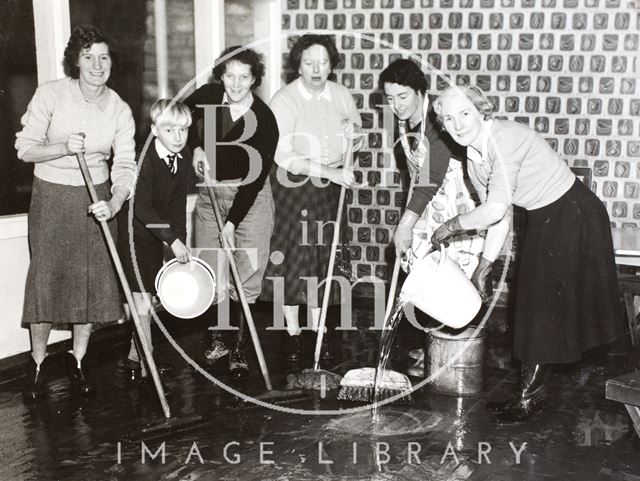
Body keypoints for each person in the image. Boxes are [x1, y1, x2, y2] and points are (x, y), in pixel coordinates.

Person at [431, 84, 623, 422]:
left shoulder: (503, 139)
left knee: (542, 305)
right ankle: (531, 395)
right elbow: (500, 218)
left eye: (464, 113)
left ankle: (533, 398)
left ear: (481, 110)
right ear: (442, 125)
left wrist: (450, 226)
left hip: (573, 211)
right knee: (535, 305)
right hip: (546, 215)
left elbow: (493, 209)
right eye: (449, 118)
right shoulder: (473, 161)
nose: (459, 124)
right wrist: (483, 266)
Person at [15, 25, 137, 400]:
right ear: (76, 61)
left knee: (89, 284)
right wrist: (62, 147)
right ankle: (37, 365)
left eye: (104, 57)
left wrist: (115, 202)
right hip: (52, 196)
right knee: (47, 282)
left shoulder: (119, 108)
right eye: (88, 57)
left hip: (95, 199)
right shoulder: (51, 93)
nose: (97, 65)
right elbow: (25, 149)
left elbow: (126, 164)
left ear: (112, 62)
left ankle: (78, 361)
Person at [261, 34, 363, 364]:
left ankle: (318, 329)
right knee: (296, 258)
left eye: (323, 62)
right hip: (295, 185)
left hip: (331, 188)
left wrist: (354, 140)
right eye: (309, 62)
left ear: (332, 64)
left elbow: (355, 137)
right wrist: (331, 173)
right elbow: (282, 154)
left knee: (323, 258)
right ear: (298, 65)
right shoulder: (285, 100)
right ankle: (292, 333)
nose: (316, 69)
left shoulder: (342, 96)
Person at [379, 59, 484, 377]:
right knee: (419, 270)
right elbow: (413, 176)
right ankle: (430, 346)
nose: (396, 105)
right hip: (426, 204)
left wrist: (406, 223)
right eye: (390, 97)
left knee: (450, 278)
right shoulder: (403, 121)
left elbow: (430, 177)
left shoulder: (435, 121)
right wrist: (408, 218)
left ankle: (452, 352)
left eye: (403, 96)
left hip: (454, 207)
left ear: (420, 92)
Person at [183, 46, 278, 377]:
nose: (236, 84)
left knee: (246, 275)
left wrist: (232, 222)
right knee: (212, 272)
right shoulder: (209, 96)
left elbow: (253, 183)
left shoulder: (264, 121)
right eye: (229, 75)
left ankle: (240, 349)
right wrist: (194, 145)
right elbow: (177, 119)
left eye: (244, 77)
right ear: (220, 75)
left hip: (249, 199)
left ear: (254, 79)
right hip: (210, 196)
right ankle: (219, 341)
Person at [117, 99, 192, 381]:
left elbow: (176, 208)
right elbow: (141, 207)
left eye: (183, 130)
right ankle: (147, 363)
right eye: (170, 130)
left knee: (145, 299)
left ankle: (135, 359)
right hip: (133, 233)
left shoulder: (181, 162)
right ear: (154, 130)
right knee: (141, 300)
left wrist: (180, 244)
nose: (177, 137)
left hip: (153, 233)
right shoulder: (144, 159)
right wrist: (170, 239)